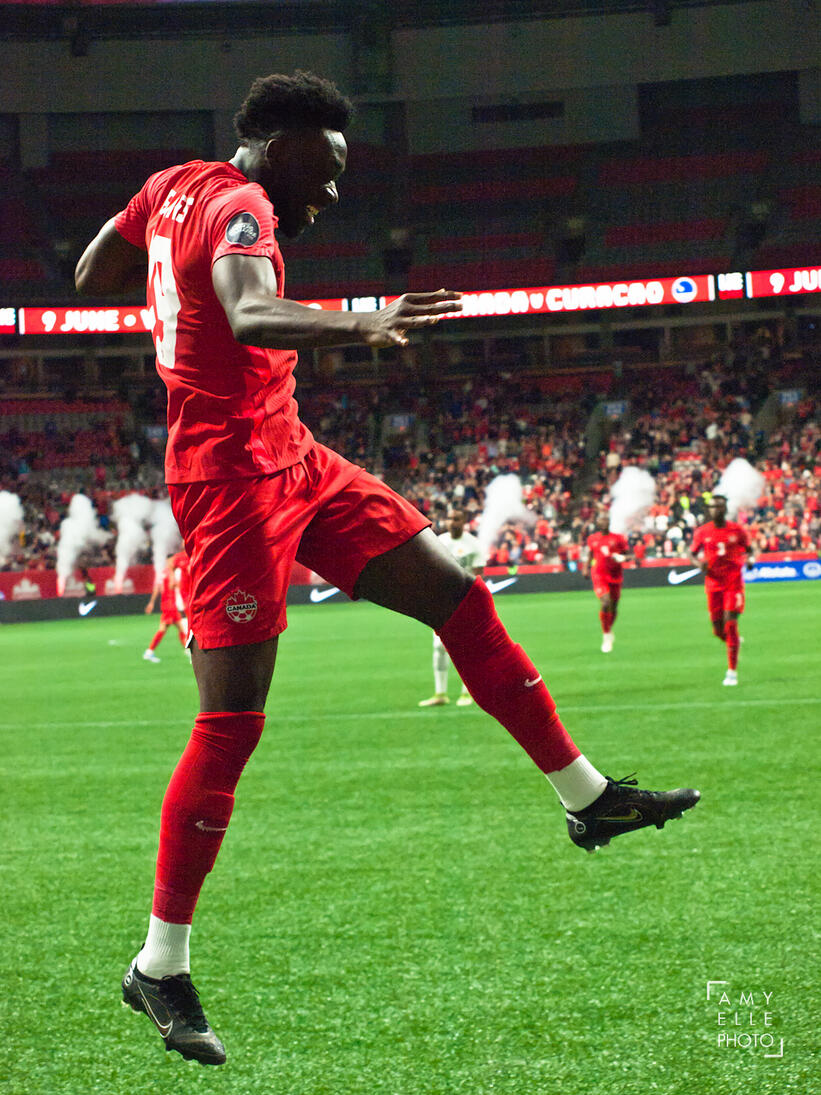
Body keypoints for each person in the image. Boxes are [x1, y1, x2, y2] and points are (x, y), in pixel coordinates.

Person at [75, 69, 700, 1067]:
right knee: (230, 723)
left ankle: (589, 800)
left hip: (294, 456)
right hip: (228, 484)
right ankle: (158, 963)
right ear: (277, 143)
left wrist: (169, 292)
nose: (324, 196)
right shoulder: (241, 204)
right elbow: (246, 314)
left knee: (457, 598)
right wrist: (359, 320)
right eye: (320, 173)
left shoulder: (173, 186)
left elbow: (91, 274)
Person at [686, 493, 754, 686]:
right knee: (718, 630)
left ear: (725, 509)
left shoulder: (737, 530)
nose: (716, 509)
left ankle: (732, 672)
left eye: (719, 506)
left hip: (733, 583)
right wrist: (699, 565)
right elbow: (691, 554)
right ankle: (734, 644)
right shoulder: (702, 532)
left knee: (730, 623)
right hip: (713, 585)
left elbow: (749, 550)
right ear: (709, 509)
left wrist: (750, 560)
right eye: (713, 506)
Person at [418, 509, 484, 707]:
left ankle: (467, 692)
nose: (451, 522)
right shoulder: (440, 542)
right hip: (441, 602)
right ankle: (440, 693)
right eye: (449, 518)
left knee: (466, 648)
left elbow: (479, 576)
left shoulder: (474, 545)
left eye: (456, 518)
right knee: (439, 647)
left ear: (464, 521)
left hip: (464, 602)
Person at [582, 512, 630, 653]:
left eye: (606, 519)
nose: (604, 522)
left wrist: (622, 558)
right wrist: (585, 567)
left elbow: (630, 554)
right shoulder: (592, 539)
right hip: (599, 575)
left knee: (614, 607)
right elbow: (590, 554)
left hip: (615, 576)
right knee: (606, 602)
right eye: (601, 519)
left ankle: (608, 630)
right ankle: (606, 634)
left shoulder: (618, 539)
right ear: (598, 523)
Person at [143, 554, 187, 662]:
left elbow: (157, 589)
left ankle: (188, 650)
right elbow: (175, 586)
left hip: (166, 604)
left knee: (179, 628)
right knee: (168, 628)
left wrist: (151, 603)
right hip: (171, 605)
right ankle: (149, 651)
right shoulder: (173, 573)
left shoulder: (162, 573)